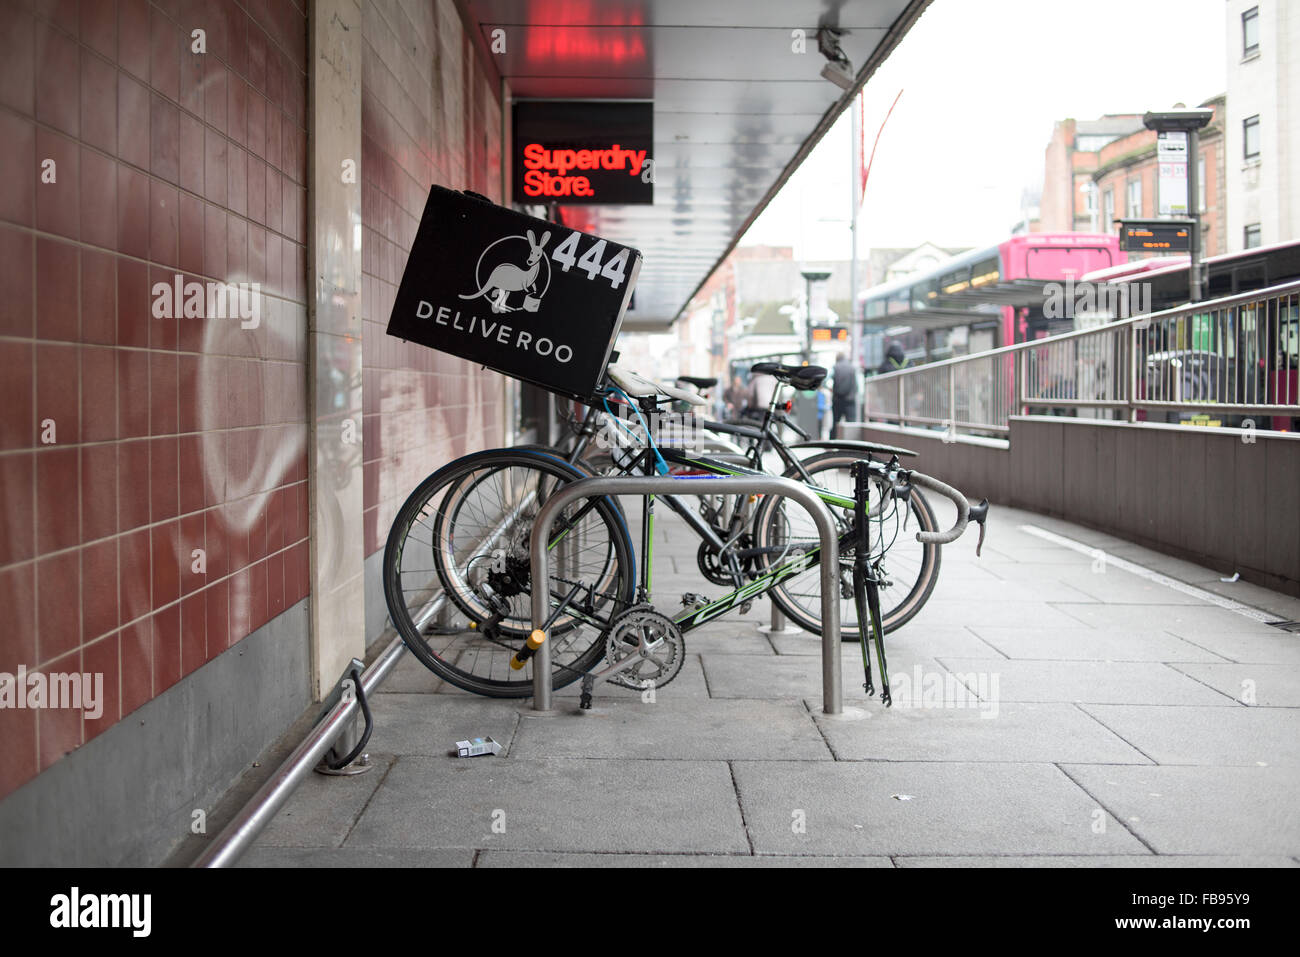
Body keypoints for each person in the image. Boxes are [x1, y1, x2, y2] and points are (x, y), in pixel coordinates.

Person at [831, 352, 857, 438]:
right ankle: (851, 445)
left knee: (835, 423)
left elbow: (827, 380)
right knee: (851, 424)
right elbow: (856, 385)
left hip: (837, 399)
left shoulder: (835, 367)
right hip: (850, 400)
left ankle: (832, 444)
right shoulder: (852, 367)